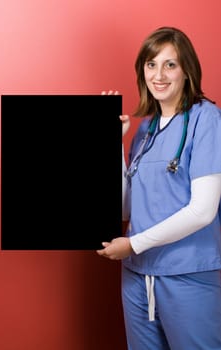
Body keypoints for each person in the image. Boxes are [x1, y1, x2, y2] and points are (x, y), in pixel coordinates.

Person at [97, 26, 221, 350]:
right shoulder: (145, 129)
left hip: (186, 275)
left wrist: (134, 244)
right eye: (151, 64)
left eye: (170, 64)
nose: (159, 75)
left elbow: (203, 211)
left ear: (187, 69)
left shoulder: (205, 119)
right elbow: (126, 209)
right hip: (137, 277)